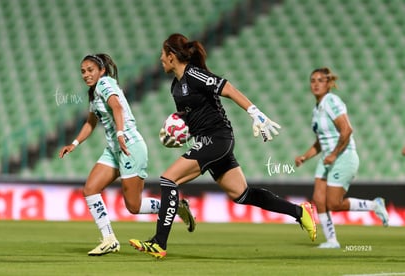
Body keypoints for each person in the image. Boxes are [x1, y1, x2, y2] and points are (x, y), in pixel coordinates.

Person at [129, 33, 317, 259]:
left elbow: (226, 88)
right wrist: (175, 128)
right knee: (241, 194)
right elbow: (190, 115)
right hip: (207, 141)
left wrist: (254, 113)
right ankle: (300, 211)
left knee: (169, 179)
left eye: (163, 53)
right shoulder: (176, 87)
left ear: (172, 56)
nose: (160, 58)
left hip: (217, 139)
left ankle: (159, 243)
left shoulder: (194, 74)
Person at [59, 53, 195, 256]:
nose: (86, 74)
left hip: (129, 146)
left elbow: (117, 106)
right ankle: (109, 239)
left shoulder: (105, 83)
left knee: (134, 206)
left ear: (101, 70)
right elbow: (91, 122)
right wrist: (74, 143)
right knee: (90, 189)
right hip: (114, 149)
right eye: (83, 71)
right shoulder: (94, 92)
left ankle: (173, 206)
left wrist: (121, 133)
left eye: (90, 70)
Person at [294, 67, 389, 249]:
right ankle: (332, 241)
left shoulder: (331, 101)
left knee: (333, 204)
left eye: (320, 80)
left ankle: (375, 205)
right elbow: (321, 141)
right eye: (312, 80)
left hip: (343, 156)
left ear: (329, 84)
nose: (315, 84)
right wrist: (305, 157)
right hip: (327, 158)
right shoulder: (317, 109)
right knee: (319, 199)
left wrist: (334, 154)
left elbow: (347, 130)